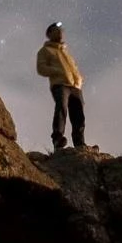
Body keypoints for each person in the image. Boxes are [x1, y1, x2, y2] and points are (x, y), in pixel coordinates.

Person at [35, 22, 92, 151]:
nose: (60, 32)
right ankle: (58, 139)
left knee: (78, 114)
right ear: (49, 34)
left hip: (75, 87)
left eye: (61, 30)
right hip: (60, 85)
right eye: (56, 30)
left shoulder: (66, 52)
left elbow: (74, 68)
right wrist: (57, 71)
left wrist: (79, 78)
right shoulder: (45, 51)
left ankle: (80, 143)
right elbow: (41, 68)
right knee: (61, 109)